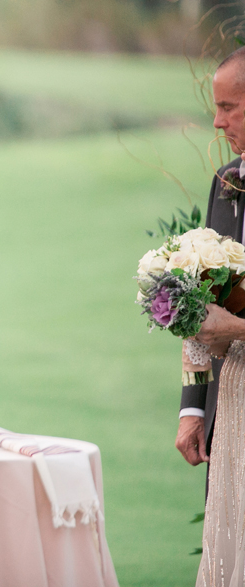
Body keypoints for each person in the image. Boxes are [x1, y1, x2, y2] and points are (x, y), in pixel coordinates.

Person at [186, 47, 245, 587]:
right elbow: (202, 300)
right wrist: (191, 406)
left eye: (229, 107)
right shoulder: (226, 181)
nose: (217, 120)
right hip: (228, 405)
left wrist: (242, 329)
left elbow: (230, 321)